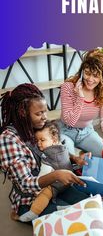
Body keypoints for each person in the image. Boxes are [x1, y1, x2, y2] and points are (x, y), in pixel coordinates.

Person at [0, 83, 89, 220]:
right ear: (23, 113)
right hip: (31, 199)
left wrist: (73, 158)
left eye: (45, 111)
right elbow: (25, 184)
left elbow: (53, 149)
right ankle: (21, 213)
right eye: (38, 113)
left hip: (56, 187)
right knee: (74, 216)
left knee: (88, 203)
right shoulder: (8, 139)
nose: (44, 117)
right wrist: (56, 175)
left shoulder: (36, 125)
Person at [12, 120, 89, 222]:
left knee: (43, 195)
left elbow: (44, 173)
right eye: (37, 141)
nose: (39, 144)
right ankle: (62, 209)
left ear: (54, 139)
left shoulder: (48, 154)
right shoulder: (61, 146)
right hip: (64, 184)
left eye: (42, 140)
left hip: (56, 185)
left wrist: (38, 190)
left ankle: (33, 213)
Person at [59, 49, 103, 157]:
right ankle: (80, 159)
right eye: (87, 73)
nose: (90, 79)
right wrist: (80, 97)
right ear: (82, 71)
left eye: (96, 76)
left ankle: (84, 157)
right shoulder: (68, 87)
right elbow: (70, 121)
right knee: (67, 160)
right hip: (65, 131)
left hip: (86, 131)